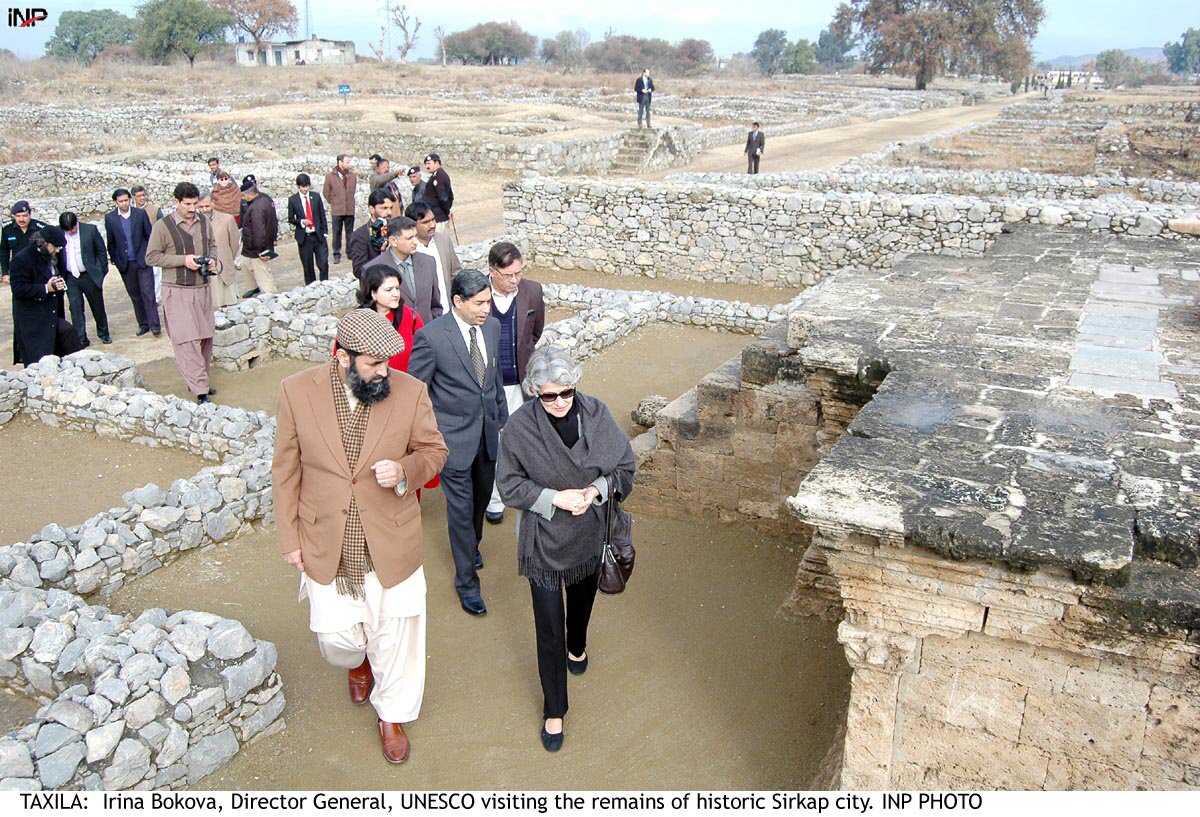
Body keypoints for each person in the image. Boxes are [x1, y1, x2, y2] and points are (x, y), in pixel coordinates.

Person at [273, 308, 449, 765]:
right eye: (373, 364)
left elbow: (434, 451)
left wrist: (406, 470)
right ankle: (357, 661)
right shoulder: (295, 392)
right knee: (338, 640)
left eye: (388, 362)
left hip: (393, 539)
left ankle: (391, 714)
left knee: (399, 636)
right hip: (324, 541)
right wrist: (289, 538)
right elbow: (285, 471)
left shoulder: (410, 392)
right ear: (342, 356)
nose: (384, 372)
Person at [496, 344, 635, 752]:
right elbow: (509, 486)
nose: (559, 402)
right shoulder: (520, 427)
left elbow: (624, 466)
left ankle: (579, 645)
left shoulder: (596, 413)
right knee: (548, 627)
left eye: (566, 393)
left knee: (581, 604)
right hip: (542, 541)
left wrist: (595, 490)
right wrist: (554, 498)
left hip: (590, 532)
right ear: (533, 392)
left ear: (576, 386)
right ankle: (554, 709)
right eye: (548, 395)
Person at [408, 269, 508, 616]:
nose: (487, 308)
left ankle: (472, 545)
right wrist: (430, 439)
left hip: (487, 437)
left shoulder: (492, 329)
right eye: (479, 303)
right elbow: (415, 393)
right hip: (451, 443)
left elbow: (492, 382)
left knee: (481, 501)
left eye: (489, 300)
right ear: (457, 302)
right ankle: (466, 583)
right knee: (461, 512)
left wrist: (503, 423)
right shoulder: (432, 338)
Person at [483, 241, 544, 525]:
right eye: (508, 275)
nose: (515, 280)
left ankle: (524, 494)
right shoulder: (477, 292)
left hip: (520, 386)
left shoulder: (532, 291)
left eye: (518, 273)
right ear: (492, 271)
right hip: (486, 388)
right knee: (490, 444)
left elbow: (535, 332)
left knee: (519, 440)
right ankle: (494, 500)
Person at [145, 182, 219, 404]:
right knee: (186, 340)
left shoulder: (204, 221)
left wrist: (213, 259)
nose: (192, 208)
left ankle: (199, 380)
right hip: (177, 290)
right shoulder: (163, 226)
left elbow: (213, 245)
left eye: (195, 203)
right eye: (187, 204)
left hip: (202, 288)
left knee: (206, 337)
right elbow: (152, 257)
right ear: (176, 202)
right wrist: (183, 261)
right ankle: (199, 389)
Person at [8, 226, 83, 365]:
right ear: (44, 243)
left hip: (51, 311)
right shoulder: (22, 260)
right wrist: (45, 288)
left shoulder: (52, 255)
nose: (58, 250)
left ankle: (79, 366)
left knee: (68, 332)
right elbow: (18, 289)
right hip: (32, 317)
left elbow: (55, 274)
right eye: (55, 247)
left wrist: (57, 284)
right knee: (39, 358)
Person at [360, 216, 441, 325]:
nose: (415, 242)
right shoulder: (372, 269)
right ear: (393, 241)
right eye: (409, 238)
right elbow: (368, 310)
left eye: (415, 236)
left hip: (427, 333)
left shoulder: (428, 262)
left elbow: (435, 303)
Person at [104, 188, 160, 336]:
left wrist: (147, 255)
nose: (124, 204)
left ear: (130, 199)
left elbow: (149, 236)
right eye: (120, 201)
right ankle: (143, 323)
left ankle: (155, 325)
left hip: (142, 261)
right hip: (126, 264)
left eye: (126, 200)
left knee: (148, 293)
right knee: (135, 295)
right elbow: (111, 242)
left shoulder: (140, 214)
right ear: (115, 202)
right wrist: (116, 260)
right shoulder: (110, 218)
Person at [351, 264, 424, 373]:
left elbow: (425, 352)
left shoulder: (410, 316)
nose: (396, 294)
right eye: (389, 290)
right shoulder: (354, 322)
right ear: (373, 293)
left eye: (397, 288)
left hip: (406, 384)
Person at [57, 212, 110, 347]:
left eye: (72, 229)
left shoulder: (90, 230)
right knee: (75, 308)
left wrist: (101, 271)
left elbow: (101, 251)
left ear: (77, 223)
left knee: (97, 305)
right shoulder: (58, 232)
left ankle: (104, 333)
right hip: (70, 277)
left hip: (89, 275)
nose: (70, 232)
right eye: (67, 230)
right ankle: (81, 338)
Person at [406, 201, 461, 313]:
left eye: (433, 220)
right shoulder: (408, 248)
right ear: (413, 225)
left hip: (448, 311)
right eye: (426, 222)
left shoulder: (444, 240)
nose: (432, 225)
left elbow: (456, 273)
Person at [196, 190, 241, 309]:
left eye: (207, 206)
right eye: (201, 207)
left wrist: (227, 259)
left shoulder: (227, 220)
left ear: (213, 204)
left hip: (222, 269)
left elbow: (234, 244)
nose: (204, 209)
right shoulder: (193, 223)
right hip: (201, 271)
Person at [287, 173, 330, 285]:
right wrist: (301, 222)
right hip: (305, 238)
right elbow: (291, 218)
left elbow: (322, 215)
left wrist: (325, 232)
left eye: (307, 186)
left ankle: (325, 285)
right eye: (303, 186)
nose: (305, 189)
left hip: (318, 236)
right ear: (298, 186)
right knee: (308, 266)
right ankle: (311, 288)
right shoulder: (293, 200)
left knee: (323, 262)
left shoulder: (315, 197)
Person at [239, 177, 278, 298]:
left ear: (250, 194)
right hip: (250, 247)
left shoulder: (256, 208)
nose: (242, 198)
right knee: (246, 265)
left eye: (243, 195)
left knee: (263, 274)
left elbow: (259, 230)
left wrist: (260, 251)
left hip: (257, 248)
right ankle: (253, 288)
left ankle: (270, 297)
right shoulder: (264, 199)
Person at [349, 189, 397, 279]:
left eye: (390, 208)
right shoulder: (360, 235)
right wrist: (383, 256)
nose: (389, 212)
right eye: (384, 208)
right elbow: (359, 270)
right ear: (372, 209)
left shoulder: (394, 229)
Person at [2, 201, 49, 285]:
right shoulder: (7, 229)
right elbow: (4, 251)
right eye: (18, 216)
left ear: (30, 215)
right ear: (14, 216)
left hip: (37, 271)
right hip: (18, 271)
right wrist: (5, 273)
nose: (21, 219)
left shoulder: (40, 228)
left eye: (24, 216)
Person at [323, 153, 357, 264]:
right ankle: (336, 253)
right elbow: (326, 192)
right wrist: (334, 202)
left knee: (350, 232)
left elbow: (352, 191)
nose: (348, 164)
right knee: (337, 232)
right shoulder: (330, 176)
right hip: (337, 209)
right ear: (340, 162)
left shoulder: (352, 176)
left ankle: (350, 252)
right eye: (347, 162)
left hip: (349, 209)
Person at [422, 154, 453, 225]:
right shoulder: (436, 175)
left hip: (438, 217)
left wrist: (447, 211)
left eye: (429, 163)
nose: (427, 166)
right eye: (426, 164)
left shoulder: (439, 176)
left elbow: (443, 198)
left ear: (436, 163)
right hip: (435, 215)